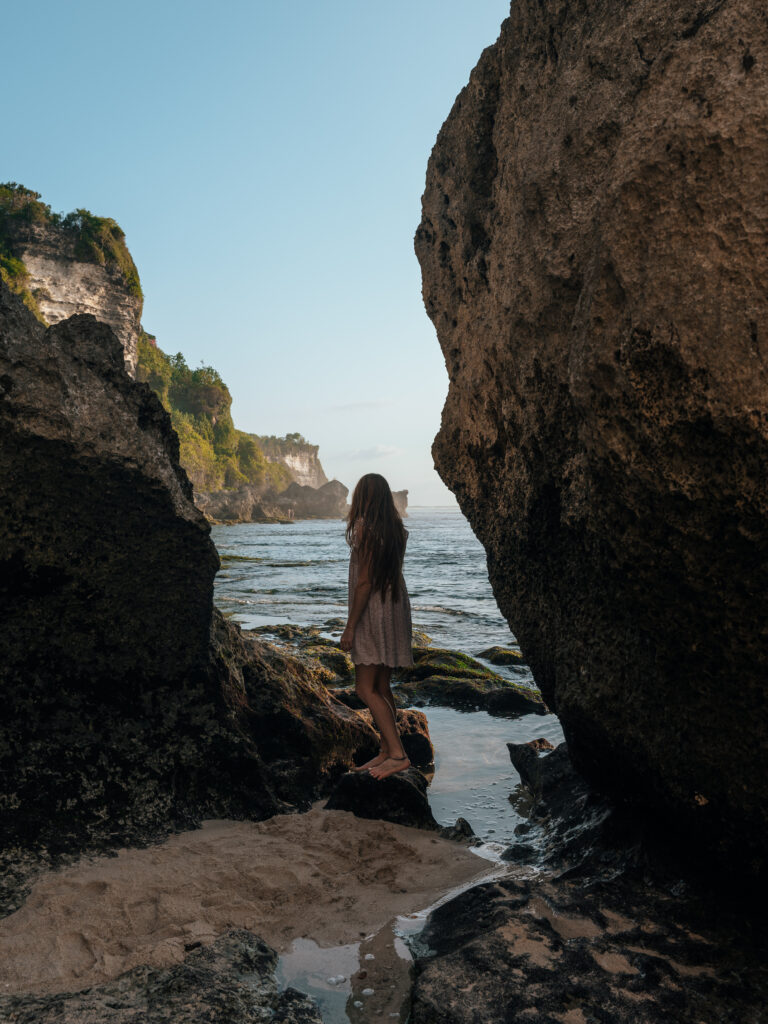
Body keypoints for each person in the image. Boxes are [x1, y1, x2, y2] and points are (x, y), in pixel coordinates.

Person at [340, 473, 414, 780]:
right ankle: (386, 749)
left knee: (364, 687)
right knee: (382, 686)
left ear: (363, 497)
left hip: (373, 610)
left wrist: (350, 627)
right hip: (395, 607)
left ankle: (397, 755)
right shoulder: (396, 529)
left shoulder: (363, 529)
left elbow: (365, 582)